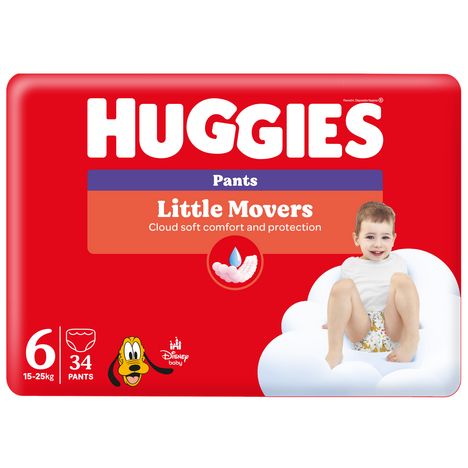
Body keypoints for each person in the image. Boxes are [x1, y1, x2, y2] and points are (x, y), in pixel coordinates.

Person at [325, 201, 419, 369]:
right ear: (356, 239)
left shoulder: (398, 262)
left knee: (402, 280)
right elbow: (342, 301)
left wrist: (412, 321)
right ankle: (334, 351)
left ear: (393, 239)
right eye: (370, 237)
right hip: (360, 329)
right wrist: (334, 322)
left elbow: (406, 300)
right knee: (342, 286)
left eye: (385, 237)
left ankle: (412, 339)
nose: (378, 244)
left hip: (392, 327)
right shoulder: (350, 265)